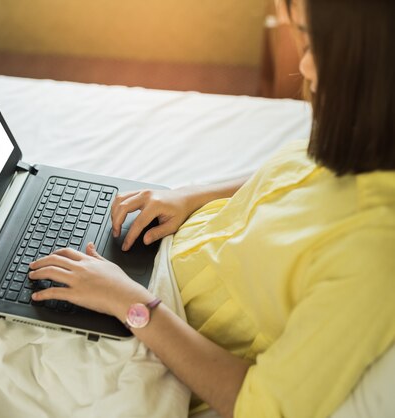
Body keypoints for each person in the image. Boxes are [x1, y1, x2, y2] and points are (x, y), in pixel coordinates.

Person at [28, 0, 395, 416]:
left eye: (315, 46)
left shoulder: (374, 259)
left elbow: (260, 407)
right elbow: (298, 175)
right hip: (147, 271)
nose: (306, 68)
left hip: (154, 332)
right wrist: (190, 196)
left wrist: (128, 302)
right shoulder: (369, 136)